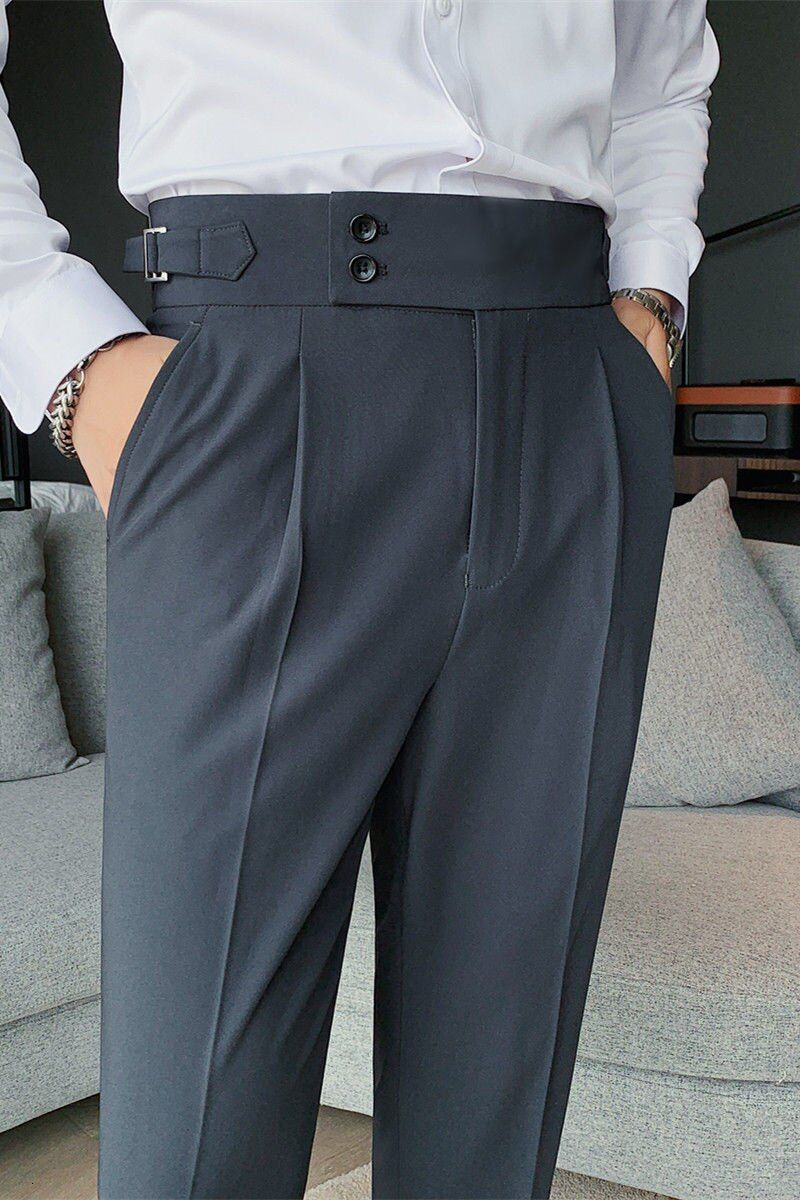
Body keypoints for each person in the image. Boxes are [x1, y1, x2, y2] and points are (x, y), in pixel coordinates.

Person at [0, 3, 719, 1198]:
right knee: (194, 1129)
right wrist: (65, 354)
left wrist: (649, 299)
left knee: (498, 1078)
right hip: (250, 382)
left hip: (568, 383)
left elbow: (660, 65)